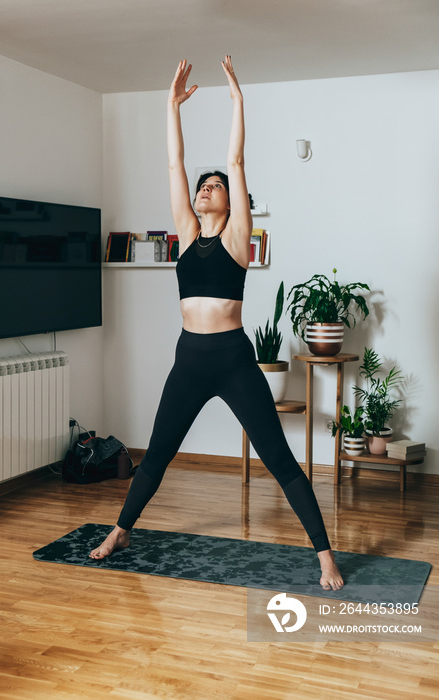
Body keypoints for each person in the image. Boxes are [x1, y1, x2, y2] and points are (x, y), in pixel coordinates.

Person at [90, 57, 344, 591]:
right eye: (203, 185)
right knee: (157, 455)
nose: (206, 187)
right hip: (189, 360)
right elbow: (173, 165)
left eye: (215, 186)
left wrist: (237, 100)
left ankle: (323, 555)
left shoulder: (235, 238)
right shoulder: (186, 233)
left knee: (278, 457)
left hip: (231, 359)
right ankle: (121, 531)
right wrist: (170, 107)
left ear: (232, 204)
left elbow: (235, 158)